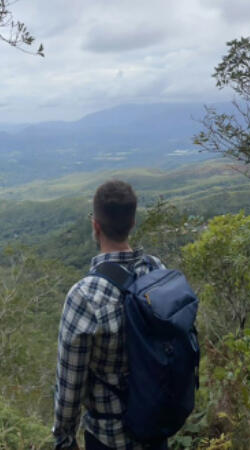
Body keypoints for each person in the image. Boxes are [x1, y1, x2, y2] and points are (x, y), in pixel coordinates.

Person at [52, 180, 169, 450]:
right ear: (132, 222)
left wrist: (64, 438)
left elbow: (70, 386)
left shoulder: (85, 296)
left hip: (110, 436)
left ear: (96, 225)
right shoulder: (157, 271)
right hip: (158, 423)